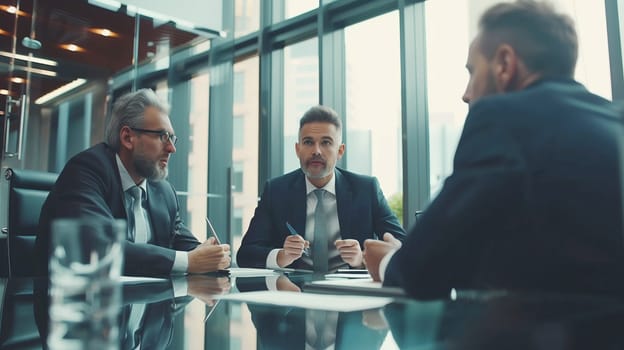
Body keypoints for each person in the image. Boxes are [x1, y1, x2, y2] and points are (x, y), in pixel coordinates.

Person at [364, 0, 624, 298]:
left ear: (504, 64)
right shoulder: (615, 121)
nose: (466, 94)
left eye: (472, 72)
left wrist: (387, 260)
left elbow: (419, 271)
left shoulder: (502, 118)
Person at [34, 88, 231, 277]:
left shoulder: (163, 191)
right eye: (163, 137)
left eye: (172, 138)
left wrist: (210, 256)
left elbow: (184, 245)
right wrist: (189, 261)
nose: (172, 148)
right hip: (72, 304)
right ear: (128, 137)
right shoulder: (85, 171)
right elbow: (103, 247)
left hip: (143, 305)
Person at [237, 105, 406, 272]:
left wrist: (362, 259)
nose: (316, 151)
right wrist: (281, 256)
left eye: (326, 142)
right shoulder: (276, 191)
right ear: (297, 149)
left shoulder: (366, 189)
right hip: (294, 293)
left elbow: (403, 245)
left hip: (351, 293)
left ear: (340, 151)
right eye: (308, 142)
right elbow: (245, 254)